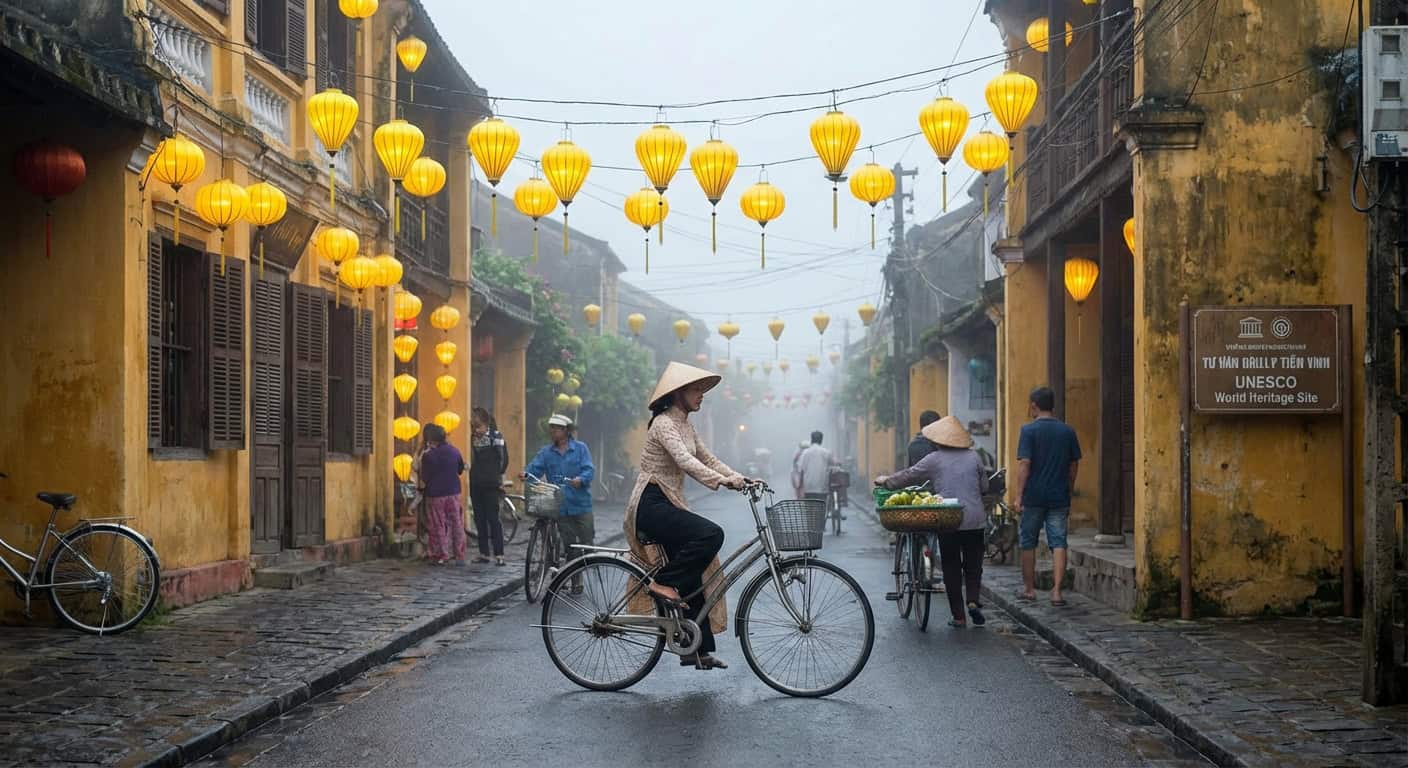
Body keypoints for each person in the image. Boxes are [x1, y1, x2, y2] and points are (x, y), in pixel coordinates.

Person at [624, 361, 751, 671]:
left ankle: (695, 650)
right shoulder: (664, 423)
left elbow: (707, 458)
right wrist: (721, 481)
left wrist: (740, 477)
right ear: (678, 393)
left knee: (695, 571)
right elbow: (684, 461)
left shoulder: (686, 425)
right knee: (711, 534)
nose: (702, 395)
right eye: (697, 390)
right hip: (651, 504)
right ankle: (663, 583)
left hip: (668, 503)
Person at [876, 416, 988, 627]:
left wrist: (886, 481)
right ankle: (973, 601)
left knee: (951, 567)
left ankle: (959, 616)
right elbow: (984, 488)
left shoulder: (934, 459)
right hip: (975, 520)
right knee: (973, 566)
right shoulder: (974, 457)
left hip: (949, 519)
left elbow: (909, 476)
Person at [1014, 386, 1082, 607]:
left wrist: (1018, 496)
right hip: (1058, 495)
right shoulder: (1067, 431)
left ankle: (1029, 589)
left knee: (1028, 542)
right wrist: (1069, 488)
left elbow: (1025, 464)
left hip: (1033, 496)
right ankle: (1056, 592)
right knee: (1059, 542)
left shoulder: (1028, 431)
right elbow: (1073, 466)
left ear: (1034, 405)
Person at [525, 414, 595, 566]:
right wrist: (525, 474)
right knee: (569, 545)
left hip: (581, 503)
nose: (553, 431)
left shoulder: (581, 448)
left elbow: (589, 470)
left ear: (566, 431)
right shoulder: (546, 452)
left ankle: (587, 569)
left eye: (557, 428)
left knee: (587, 542)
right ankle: (575, 578)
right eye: (551, 428)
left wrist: (581, 479)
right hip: (560, 506)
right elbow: (534, 469)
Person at [419, 423, 467, 566]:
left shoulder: (428, 456)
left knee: (437, 525)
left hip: (435, 495)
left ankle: (441, 554)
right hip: (454, 492)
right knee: (457, 524)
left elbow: (425, 477)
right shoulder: (455, 451)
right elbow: (460, 469)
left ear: (430, 440)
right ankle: (459, 555)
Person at [469, 407, 509, 567]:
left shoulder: (496, 436)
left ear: (486, 423)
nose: (475, 430)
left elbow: (503, 460)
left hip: (491, 484)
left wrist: (496, 477)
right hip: (476, 483)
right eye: (473, 426)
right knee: (479, 519)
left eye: (478, 426)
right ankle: (484, 553)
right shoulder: (473, 438)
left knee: (493, 519)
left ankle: (499, 554)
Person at [796, 431, 837, 514]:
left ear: (811, 440)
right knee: (820, 510)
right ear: (821, 440)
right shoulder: (826, 452)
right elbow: (833, 464)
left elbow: (801, 471)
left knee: (809, 511)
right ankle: (821, 525)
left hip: (809, 488)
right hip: (822, 487)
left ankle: (811, 525)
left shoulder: (805, 453)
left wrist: (799, 486)